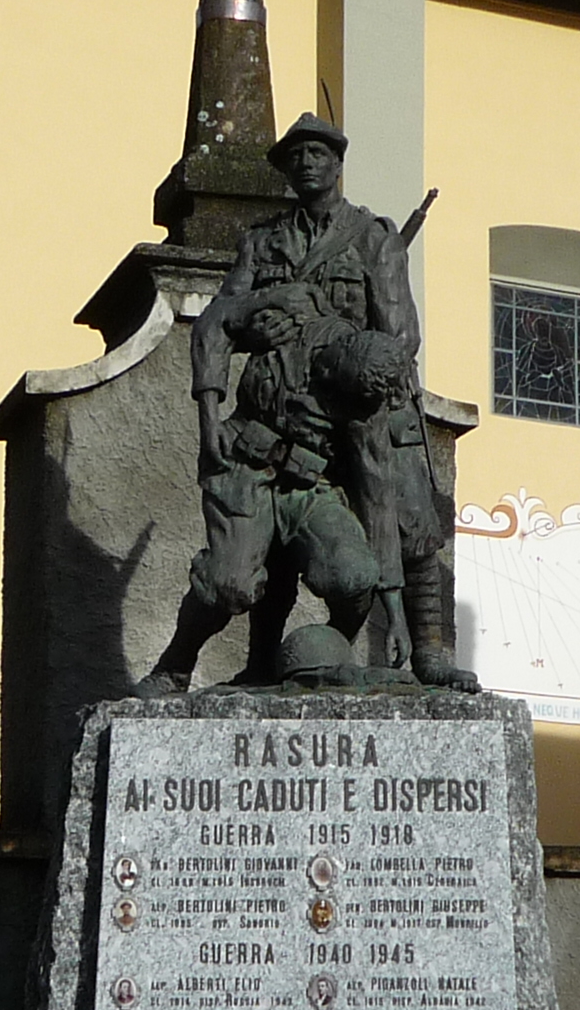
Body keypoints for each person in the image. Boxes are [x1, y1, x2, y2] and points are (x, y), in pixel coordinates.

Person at [140, 113, 470, 691]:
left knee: (413, 523)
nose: (309, 163)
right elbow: (222, 318)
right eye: (297, 155)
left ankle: (428, 653)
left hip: (359, 399)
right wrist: (260, 341)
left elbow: (401, 335)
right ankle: (254, 661)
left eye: (320, 153)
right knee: (253, 564)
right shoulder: (262, 241)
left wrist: (346, 359)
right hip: (277, 414)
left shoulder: (373, 239)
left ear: (339, 164)